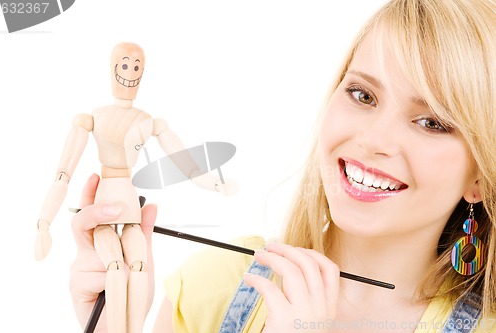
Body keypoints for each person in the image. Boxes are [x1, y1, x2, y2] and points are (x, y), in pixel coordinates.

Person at [69, 0, 496, 332]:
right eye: (363, 95)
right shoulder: (215, 286)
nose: (374, 140)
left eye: (431, 122)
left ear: (479, 175)